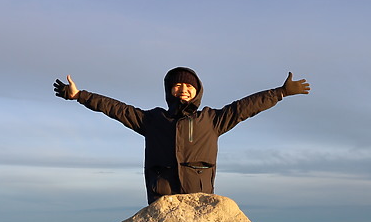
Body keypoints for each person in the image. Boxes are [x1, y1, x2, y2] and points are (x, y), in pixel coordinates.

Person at [53, 67, 309, 204]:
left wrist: (280, 92)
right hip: (161, 195)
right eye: (177, 85)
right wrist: (81, 96)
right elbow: (117, 109)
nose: (184, 89)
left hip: (199, 197)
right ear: (169, 90)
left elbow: (244, 107)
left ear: (197, 91)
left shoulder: (212, 119)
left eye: (189, 85)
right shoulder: (152, 120)